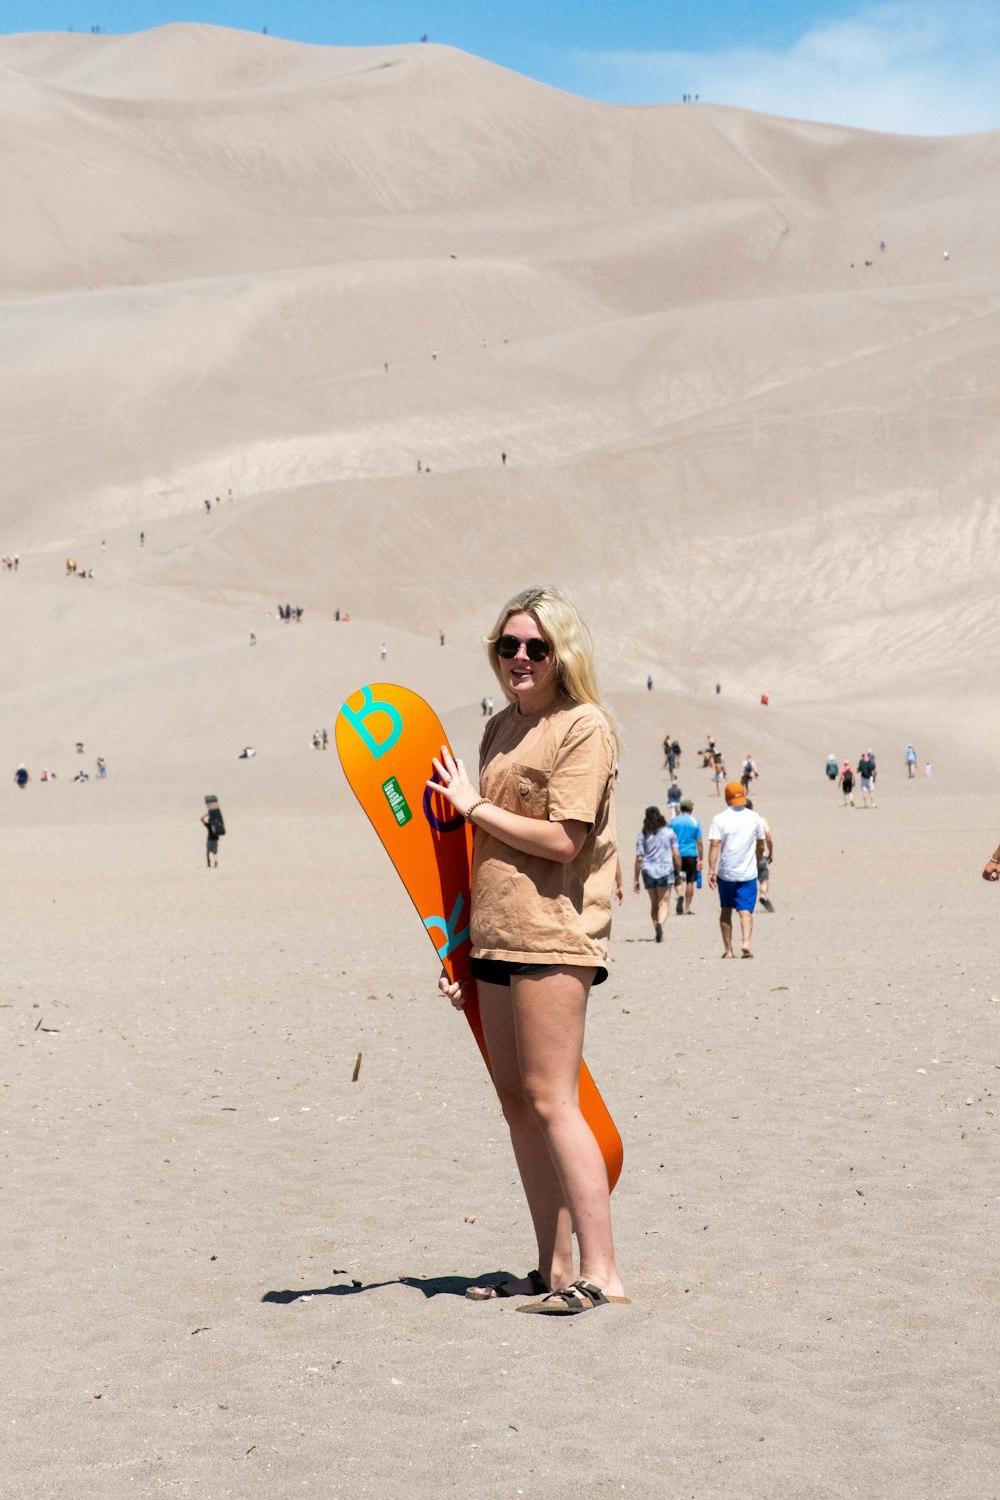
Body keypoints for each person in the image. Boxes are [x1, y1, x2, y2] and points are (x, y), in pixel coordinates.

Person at [430, 585, 628, 1315]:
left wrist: (475, 805)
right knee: (518, 1102)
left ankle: (602, 1272)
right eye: (507, 645)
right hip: (495, 933)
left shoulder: (584, 727)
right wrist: (458, 948)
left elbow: (564, 839)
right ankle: (552, 1268)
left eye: (535, 647)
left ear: (561, 654)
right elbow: (472, 845)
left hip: (554, 931)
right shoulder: (497, 729)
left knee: (553, 1100)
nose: (519, 657)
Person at [707, 782, 766, 959]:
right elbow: (761, 843)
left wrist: (711, 870)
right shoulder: (755, 817)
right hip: (747, 872)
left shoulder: (719, 819)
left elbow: (715, 844)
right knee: (745, 910)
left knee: (726, 909)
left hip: (726, 872)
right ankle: (746, 942)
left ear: (726, 798)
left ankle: (728, 950)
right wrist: (757, 858)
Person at [633, 806, 680, 942]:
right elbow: (676, 854)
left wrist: (636, 878)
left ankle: (656, 930)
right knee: (663, 902)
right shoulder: (669, 833)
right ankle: (660, 924)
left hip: (648, 870)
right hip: (665, 869)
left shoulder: (643, 835)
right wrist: (678, 870)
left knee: (654, 903)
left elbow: (639, 858)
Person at [670, 799, 703, 914]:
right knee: (690, 881)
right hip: (691, 855)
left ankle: (680, 895)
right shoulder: (695, 822)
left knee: (678, 877)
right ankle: (687, 908)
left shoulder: (673, 822)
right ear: (691, 809)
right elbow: (699, 842)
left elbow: (668, 838)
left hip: (677, 854)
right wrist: (701, 858)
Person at [746, 799, 774, 911]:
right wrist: (771, 853)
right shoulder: (760, 820)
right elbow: (768, 838)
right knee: (763, 878)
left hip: (745, 857)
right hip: (759, 854)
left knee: (746, 880)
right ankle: (763, 894)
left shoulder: (739, 822)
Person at [201, 795, 225, 867]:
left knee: (208, 852)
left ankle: (208, 863)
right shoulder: (216, 823)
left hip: (210, 839)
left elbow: (201, 820)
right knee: (215, 853)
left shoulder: (208, 825)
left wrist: (205, 815)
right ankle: (216, 863)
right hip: (215, 840)